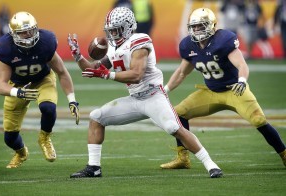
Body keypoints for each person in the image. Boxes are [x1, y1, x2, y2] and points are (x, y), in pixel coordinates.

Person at [67, 7, 222, 178]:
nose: (112, 34)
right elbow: (92, 70)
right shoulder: (113, 47)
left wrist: (106, 74)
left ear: (127, 27)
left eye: (116, 30)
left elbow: (136, 75)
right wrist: (78, 56)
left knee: (174, 128)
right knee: (96, 117)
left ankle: (211, 165)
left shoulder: (140, 41)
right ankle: (93, 167)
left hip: (153, 96)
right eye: (110, 30)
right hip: (134, 99)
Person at [159, 8, 286, 169]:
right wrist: (165, 90)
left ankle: (284, 154)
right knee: (179, 113)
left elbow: (241, 64)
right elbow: (181, 72)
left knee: (259, 120)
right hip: (211, 92)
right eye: (194, 26)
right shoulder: (189, 45)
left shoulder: (223, 40)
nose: (196, 30)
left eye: (201, 26)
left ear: (211, 26)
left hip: (235, 90)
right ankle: (183, 158)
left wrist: (242, 81)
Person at [0, 11, 80, 168]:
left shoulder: (45, 43)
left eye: (30, 30)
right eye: (22, 32)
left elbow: (62, 72)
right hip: (17, 86)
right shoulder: (5, 48)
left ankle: (44, 138)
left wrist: (72, 99)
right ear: (14, 34)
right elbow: (0, 85)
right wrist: (18, 92)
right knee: (10, 138)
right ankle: (21, 153)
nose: (28, 35)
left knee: (48, 107)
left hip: (42, 80)